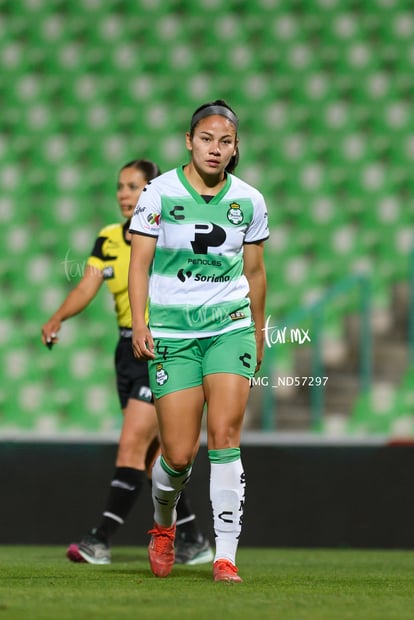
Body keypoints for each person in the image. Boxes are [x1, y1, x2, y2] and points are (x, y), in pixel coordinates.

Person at [41, 158, 213, 566]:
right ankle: (192, 538)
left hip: (162, 348)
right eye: (120, 186)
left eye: (132, 186)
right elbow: (88, 284)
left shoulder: (171, 237)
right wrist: (58, 317)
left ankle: (100, 538)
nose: (123, 193)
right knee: (155, 456)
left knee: (134, 444)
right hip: (126, 352)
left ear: (152, 191)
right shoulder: (108, 238)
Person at [128, 101, 269, 582]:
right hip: (171, 332)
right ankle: (164, 523)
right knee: (179, 455)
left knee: (225, 438)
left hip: (229, 328)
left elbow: (255, 273)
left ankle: (225, 555)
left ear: (235, 149)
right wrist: (142, 322)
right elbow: (139, 263)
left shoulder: (250, 200)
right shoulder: (158, 193)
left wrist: (258, 329)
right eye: (206, 139)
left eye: (225, 141)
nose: (215, 148)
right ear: (189, 141)